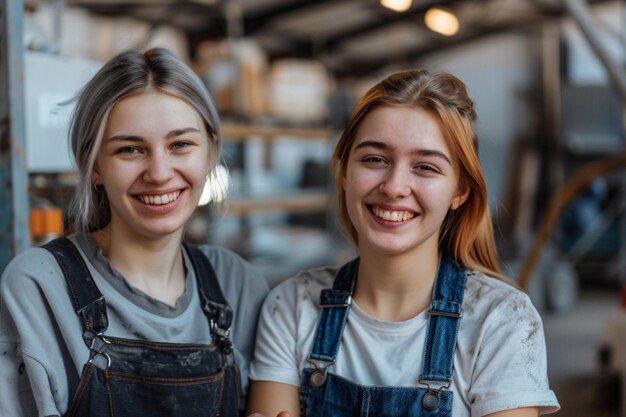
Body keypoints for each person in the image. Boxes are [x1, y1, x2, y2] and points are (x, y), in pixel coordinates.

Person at [246, 70, 560, 417]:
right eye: (375, 159)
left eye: (425, 167)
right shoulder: (291, 306)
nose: (394, 187)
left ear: (460, 191)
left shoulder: (501, 320)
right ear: (345, 172)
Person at [0, 47, 268, 417]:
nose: (158, 172)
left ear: (210, 152)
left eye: (180, 145)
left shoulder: (238, 285)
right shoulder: (39, 288)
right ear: (94, 167)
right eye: (130, 149)